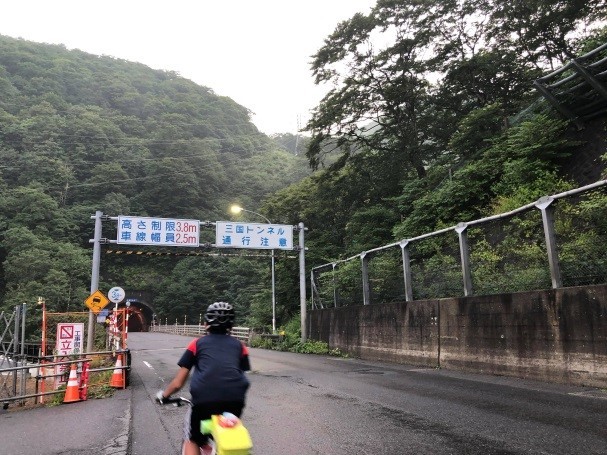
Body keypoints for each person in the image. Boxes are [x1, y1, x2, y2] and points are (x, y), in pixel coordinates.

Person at [156, 302, 251, 455]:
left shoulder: (197, 344)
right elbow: (239, 373)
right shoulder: (240, 346)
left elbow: (178, 382)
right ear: (231, 325)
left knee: (192, 438)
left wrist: (164, 395)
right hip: (235, 402)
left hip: (204, 401)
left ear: (206, 324)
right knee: (228, 431)